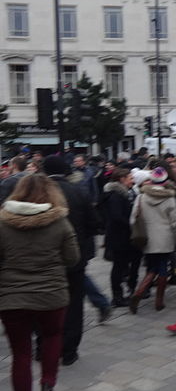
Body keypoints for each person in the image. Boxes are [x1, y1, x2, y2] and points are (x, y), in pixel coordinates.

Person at [0, 174, 79, 391]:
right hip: (51, 293)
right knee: (52, 336)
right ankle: (48, 383)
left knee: (20, 354)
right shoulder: (60, 222)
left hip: (13, 297)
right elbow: (72, 259)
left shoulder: (2, 223)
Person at [42, 155, 96, 366]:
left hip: (46, 259)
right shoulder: (78, 192)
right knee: (74, 303)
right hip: (75, 257)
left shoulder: (39, 192)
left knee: (45, 302)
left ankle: (43, 346)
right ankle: (69, 349)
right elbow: (94, 223)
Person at [128, 167, 176, 313]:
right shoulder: (170, 198)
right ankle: (159, 300)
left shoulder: (141, 197)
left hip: (147, 237)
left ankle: (139, 292)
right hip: (165, 236)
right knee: (162, 266)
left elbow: (133, 219)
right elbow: (174, 222)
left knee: (152, 266)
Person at [98, 167, 141, 307]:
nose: (132, 181)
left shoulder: (123, 193)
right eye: (130, 178)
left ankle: (121, 294)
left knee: (121, 266)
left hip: (121, 236)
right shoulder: (115, 196)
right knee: (119, 267)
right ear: (122, 179)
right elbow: (117, 217)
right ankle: (117, 297)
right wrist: (131, 223)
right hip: (119, 237)